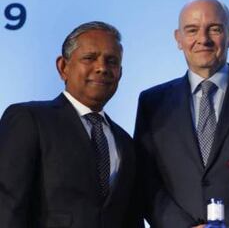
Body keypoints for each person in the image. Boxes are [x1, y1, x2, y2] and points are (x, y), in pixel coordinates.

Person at [134, 0, 229, 227]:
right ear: (178, 39)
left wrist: (224, 225)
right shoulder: (152, 102)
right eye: (192, 30)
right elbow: (146, 182)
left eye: (214, 29)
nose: (203, 39)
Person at [0, 21, 144, 228]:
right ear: (63, 67)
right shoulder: (29, 120)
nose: (102, 67)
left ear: (120, 73)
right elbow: (7, 206)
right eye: (89, 58)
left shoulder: (125, 142)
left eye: (111, 61)